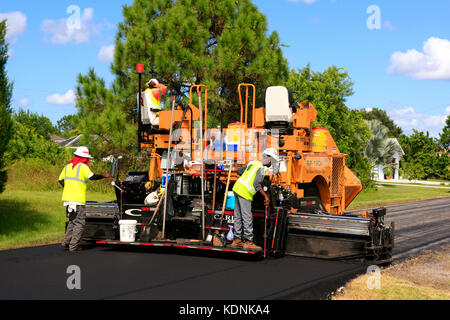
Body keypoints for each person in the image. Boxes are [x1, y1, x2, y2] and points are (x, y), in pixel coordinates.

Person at [58, 146, 112, 252]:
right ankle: (73, 246)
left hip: (67, 199)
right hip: (77, 200)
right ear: (84, 158)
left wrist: (67, 187)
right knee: (79, 223)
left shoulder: (67, 166)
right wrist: (104, 176)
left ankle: (66, 242)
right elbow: (92, 176)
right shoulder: (82, 167)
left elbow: (60, 179)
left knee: (72, 221)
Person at [228, 148, 279, 251]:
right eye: (272, 162)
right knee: (247, 217)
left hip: (237, 188)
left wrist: (247, 178)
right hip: (244, 192)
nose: (272, 165)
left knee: (238, 216)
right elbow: (256, 184)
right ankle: (248, 242)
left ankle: (236, 240)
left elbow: (239, 171)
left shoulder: (253, 163)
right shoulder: (261, 169)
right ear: (269, 160)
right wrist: (265, 196)